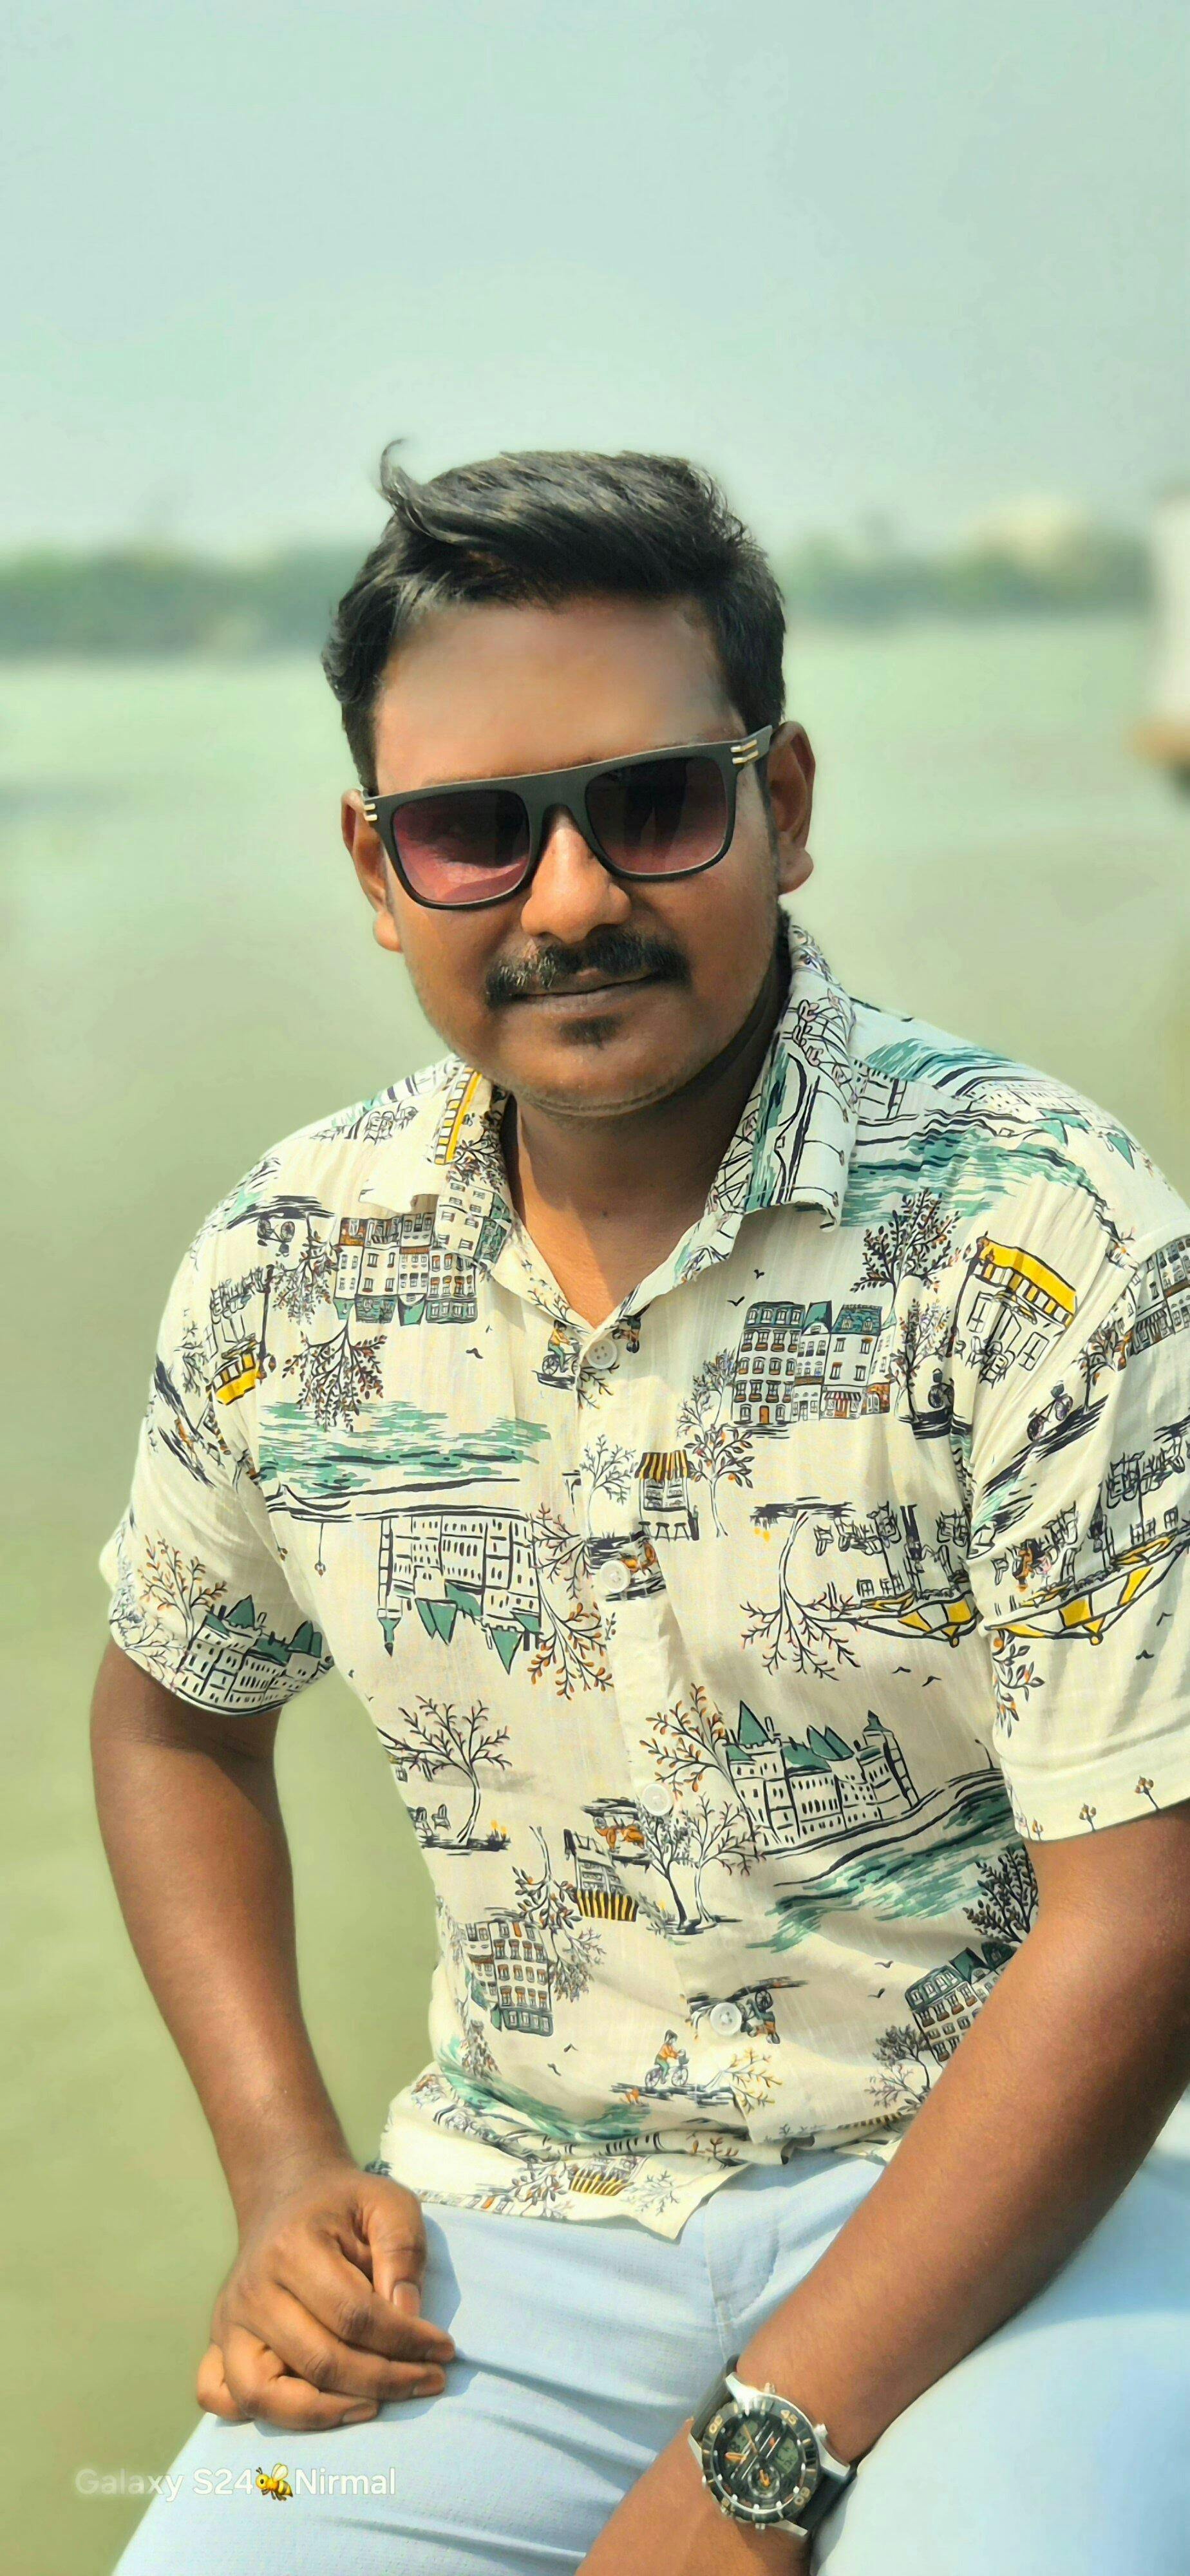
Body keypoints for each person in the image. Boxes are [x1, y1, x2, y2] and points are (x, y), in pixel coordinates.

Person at [93, 448, 1190, 2575]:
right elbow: (172, 1718)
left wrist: (750, 2468)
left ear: (786, 803)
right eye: (477, 833)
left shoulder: (1045, 1239)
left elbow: (1146, 1917)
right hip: (514, 2227)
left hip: (1029, 2207)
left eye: (657, 804)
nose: (572, 898)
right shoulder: (289, 1269)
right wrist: (281, 2167)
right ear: (379, 867)